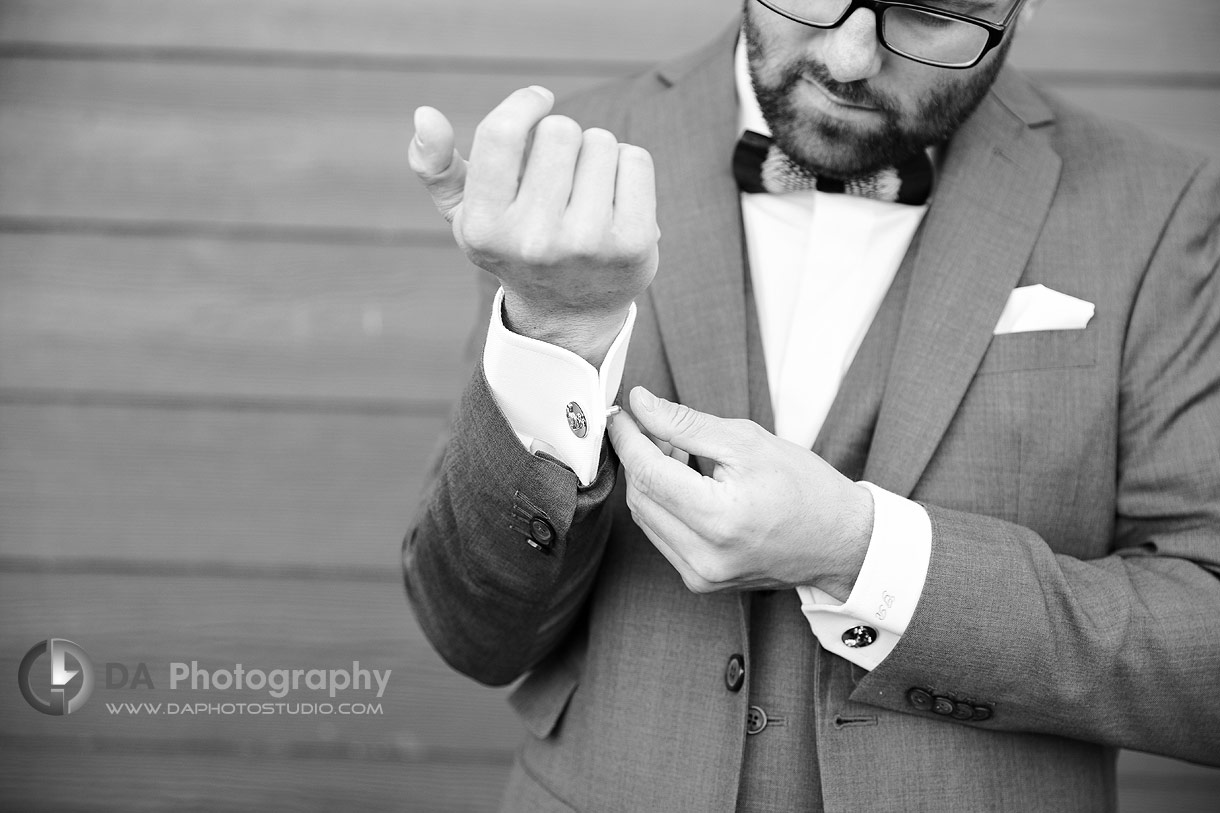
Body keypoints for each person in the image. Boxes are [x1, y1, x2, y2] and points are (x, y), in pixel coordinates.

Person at [403, 0, 1220, 809]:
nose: (852, 57)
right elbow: (471, 635)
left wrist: (864, 555)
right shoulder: (569, 175)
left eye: (933, 11)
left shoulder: (1160, 204)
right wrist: (550, 334)